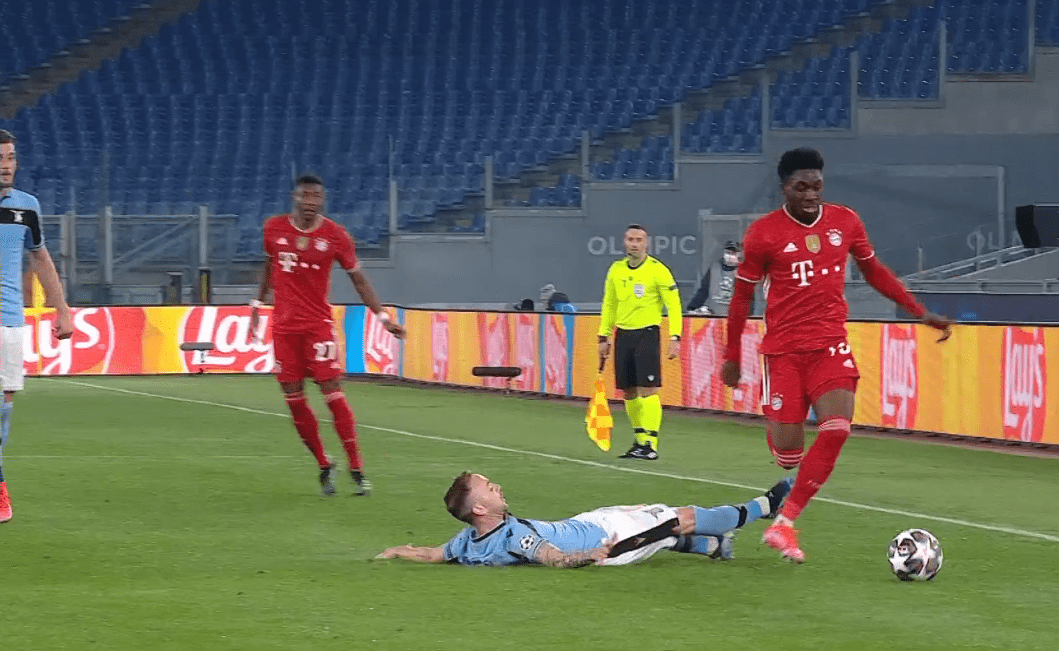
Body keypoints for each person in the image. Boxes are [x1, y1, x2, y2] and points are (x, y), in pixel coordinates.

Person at [720, 148, 953, 563]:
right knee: (788, 457)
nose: (811, 194)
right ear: (784, 188)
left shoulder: (845, 221)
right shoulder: (763, 234)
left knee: (837, 428)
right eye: (801, 187)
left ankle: (785, 523)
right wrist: (732, 355)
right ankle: (778, 427)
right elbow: (741, 299)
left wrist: (919, 311)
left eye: (817, 186)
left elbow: (874, 270)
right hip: (783, 352)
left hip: (830, 346)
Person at [250, 174, 405, 497]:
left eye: (316, 197)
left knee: (332, 393)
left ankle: (356, 467)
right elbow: (268, 267)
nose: (310, 202)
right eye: (305, 196)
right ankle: (324, 463)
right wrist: (256, 304)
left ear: (323, 200)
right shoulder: (273, 228)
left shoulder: (336, 236)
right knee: (294, 399)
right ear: (294, 198)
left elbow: (359, 280)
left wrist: (383, 317)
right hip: (284, 329)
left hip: (317, 326)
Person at [375, 471, 793, 567]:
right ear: (479, 509)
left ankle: (712, 546)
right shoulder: (514, 536)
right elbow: (553, 558)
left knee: (660, 518)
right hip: (606, 538)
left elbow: (432, 554)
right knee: (680, 516)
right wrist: (591, 554)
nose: (496, 486)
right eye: (487, 487)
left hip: (588, 521)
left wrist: (396, 551)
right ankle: (765, 506)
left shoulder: (469, 542)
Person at [0, 129, 74, 523]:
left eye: (11, 157)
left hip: (9, 323)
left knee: (2, 411)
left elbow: (41, 259)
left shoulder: (27, 207)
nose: (6, 166)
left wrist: (62, 310)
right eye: (0, 158)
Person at [597, 224, 682, 460]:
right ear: (624, 242)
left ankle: (651, 444)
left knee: (648, 388)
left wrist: (675, 336)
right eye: (630, 239)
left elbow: (673, 305)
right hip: (623, 334)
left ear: (646, 243)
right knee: (628, 390)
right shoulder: (616, 270)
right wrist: (603, 336)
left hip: (647, 333)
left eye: (639, 240)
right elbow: (609, 304)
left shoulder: (658, 270)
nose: (634, 244)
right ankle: (639, 440)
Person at [686, 241, 743, 316]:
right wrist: (692, 308)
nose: (730, 256)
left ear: (738, 255)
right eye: (728, 252)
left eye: (733, 253)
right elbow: (703, 290)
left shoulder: (742, 272)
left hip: (735, 316)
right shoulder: (714, 268)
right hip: (715, 316)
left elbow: (748, 298)